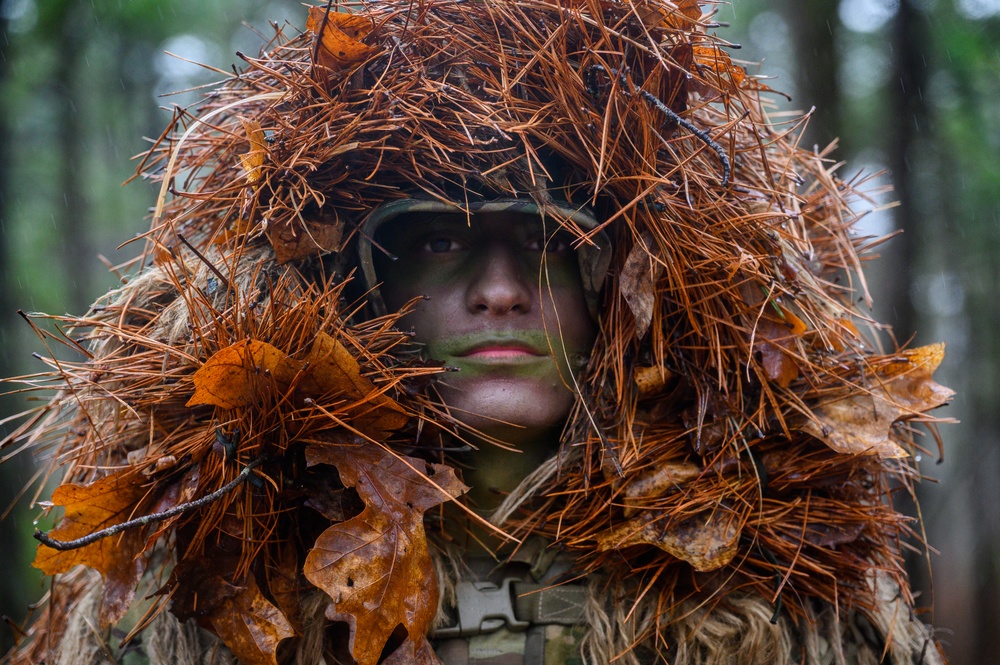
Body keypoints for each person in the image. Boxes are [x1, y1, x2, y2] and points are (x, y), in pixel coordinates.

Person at [2, 0, 953, 663]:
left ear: (618, 295)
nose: (500, 290)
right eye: (442, 239)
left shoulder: (777, 579)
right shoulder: (213, 579)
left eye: (546, 244)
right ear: (367, 294)